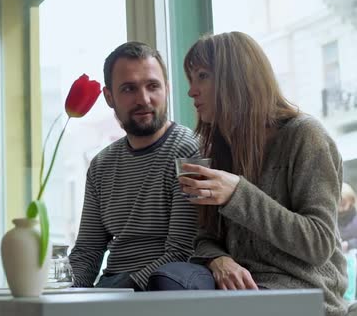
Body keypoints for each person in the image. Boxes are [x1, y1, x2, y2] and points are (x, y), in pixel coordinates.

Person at [147, 31, 347, 316]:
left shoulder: (305, 136)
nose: (191, 91)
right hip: (241, 290)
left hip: (301, 290)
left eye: (202, 76)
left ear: (236, 78)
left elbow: (319, 243)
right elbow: (204, 236)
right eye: (191, 79)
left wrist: (238, 193)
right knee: (169, 281)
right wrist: (218, 260)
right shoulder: (220, 148)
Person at [68, 41, 200, 291]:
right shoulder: (101, 165)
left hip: (162, 289)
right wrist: (68, 293)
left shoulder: (189, 152)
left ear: (167, 89)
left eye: (153, 86)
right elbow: (88, 249)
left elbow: (183, 251)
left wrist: (113, 294)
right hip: (113, 286)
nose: (144, 99)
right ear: (109, 97)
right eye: (129, 89)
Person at [339, 182, 357, 252]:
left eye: (343, 204)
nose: (340, 208)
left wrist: (349, 244)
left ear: (351, 201)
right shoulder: (331, 218)